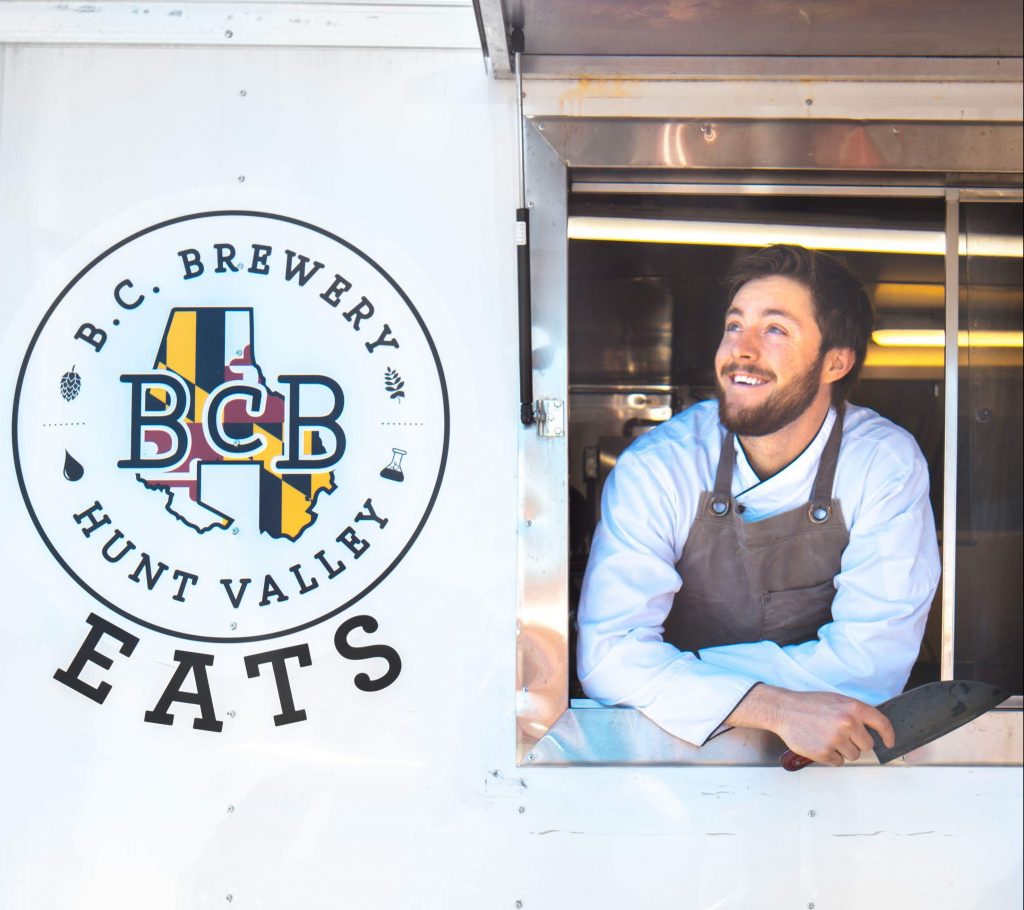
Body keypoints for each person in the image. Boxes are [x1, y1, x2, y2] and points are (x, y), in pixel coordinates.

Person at [576, 244, 941, 767]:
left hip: (822, 767)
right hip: (667, 757)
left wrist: (676, 675)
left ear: (835, 362)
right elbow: (609, 657)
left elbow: (871, 663)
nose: (740, 351)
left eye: (774, 330)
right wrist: (775, 709)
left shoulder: (883, 464)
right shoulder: (660, 465)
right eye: (733, 325)